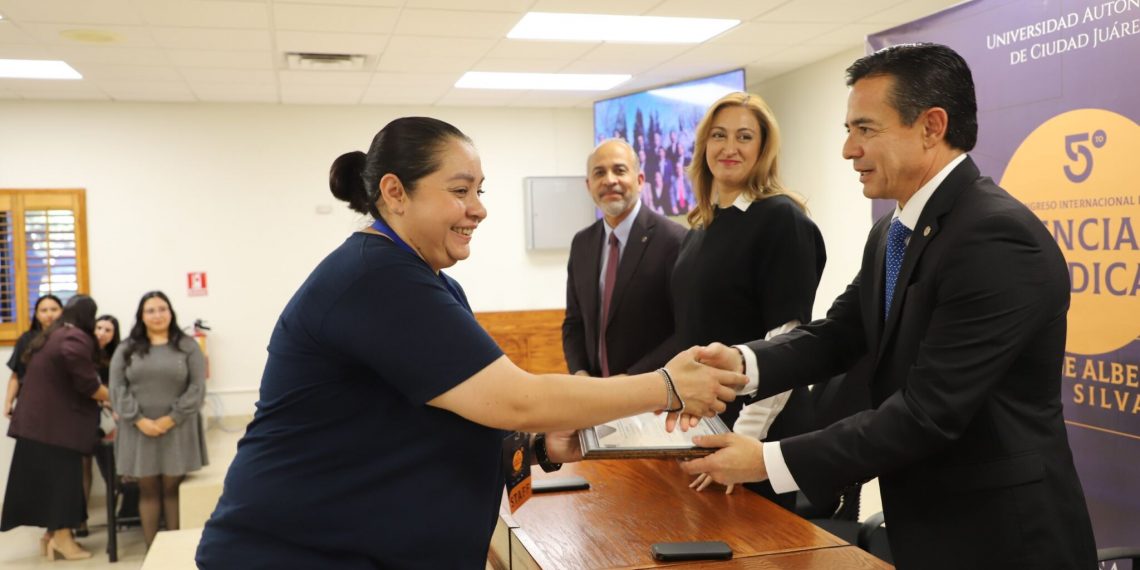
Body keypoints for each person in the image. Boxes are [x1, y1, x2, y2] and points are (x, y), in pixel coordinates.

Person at [195, 117, 744, 569]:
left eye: (479, 191)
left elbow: (454, 413)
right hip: (301, 552)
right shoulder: (374, 276)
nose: (478, 208)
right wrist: (667, 386)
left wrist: (540, 446)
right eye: (460, 191)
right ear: (395, 193)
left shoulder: (430, 280)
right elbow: (517, 400)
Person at [682, 44, 1097, 569]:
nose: (848, 150)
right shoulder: (891, 231)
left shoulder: (995, 237)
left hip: (1005, 540)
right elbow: (839, 334)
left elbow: (928, 412)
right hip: (927, 527)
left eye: (865, 129)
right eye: (848, 129)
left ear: (931, 127)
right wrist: (742, 363)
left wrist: (768, 460)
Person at [674, 92, 826, 510]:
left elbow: (787, 343)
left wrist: (743, 441)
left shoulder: (782, 219)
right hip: (708, 425)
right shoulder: (699, 228)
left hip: (757, 438)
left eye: (744, 137)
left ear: (763, 149)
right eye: (719, 135)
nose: (730, 147)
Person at [562, 138, 687, 378]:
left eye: (619, 170)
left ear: (639, 180)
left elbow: (685, 329)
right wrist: (579, 373)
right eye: (599, 173)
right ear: (589, 185)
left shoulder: (674, 240)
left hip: (653, 390)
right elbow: (574, 322)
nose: (610, 180)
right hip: (595, 391)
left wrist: (631, 379)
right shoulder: (582, 244)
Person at [1, 295, 109, 561]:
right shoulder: (74, 338)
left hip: (40, 426)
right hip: (56, 428)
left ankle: (50, 538)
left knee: (48, 484)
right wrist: (115, 396)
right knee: (63, 485)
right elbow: (87, 384)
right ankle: (62, 539)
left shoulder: (53, 335)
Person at [110, 291, 207, 549]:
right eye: (150, 310)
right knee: (148, 490)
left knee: (173, 489)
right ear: (141, 316)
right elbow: (117, 388)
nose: (157, 315)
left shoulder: (187, 346)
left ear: (171, 312)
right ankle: (153, 553)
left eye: (162, 309)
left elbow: (197, 387)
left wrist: (171, 418)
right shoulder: (127, 348)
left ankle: (174, 553)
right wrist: (139, 420)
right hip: (138, 430)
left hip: (178, 428)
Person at [3, 294, 64, 419]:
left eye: (54, 309)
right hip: (30, 402)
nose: (49, 314)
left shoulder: (70, 338)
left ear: (62, 312)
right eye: (44, 310)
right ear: (36, 315)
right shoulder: (26, 339)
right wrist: (8, 402)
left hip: (62, 402)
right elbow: (16, 374)